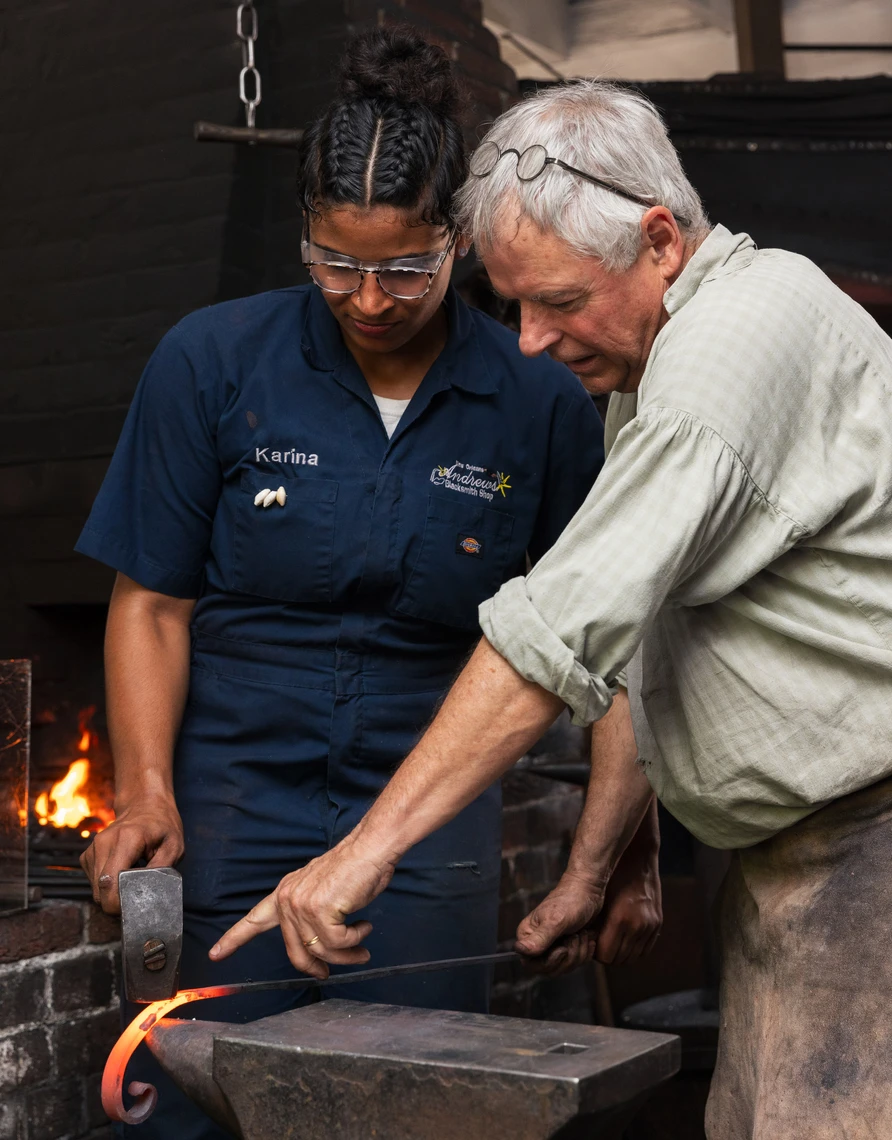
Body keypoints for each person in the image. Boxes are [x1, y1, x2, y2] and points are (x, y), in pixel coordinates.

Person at [213, 79, 892, 1140]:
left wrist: (357, 855)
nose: (530, 342)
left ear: (660, 239)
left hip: (870, 850)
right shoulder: (657, 359)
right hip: (793, 865)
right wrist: (596, 862)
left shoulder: (731, 346)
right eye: (514, 306)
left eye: (559, 302)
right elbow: (642, 635)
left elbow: (555, 633)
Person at [77, 31, 665, 1140]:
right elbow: (150, 602)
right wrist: (147, 789)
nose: (370, 297)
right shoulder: (209, 363)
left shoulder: (535, 401)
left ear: (462, 241)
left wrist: (619, 850)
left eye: (404, 266)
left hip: (427, 815)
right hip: (232, 798)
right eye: (336, 262)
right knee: (189, 1095)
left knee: (414, 1101)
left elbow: (608, 642)